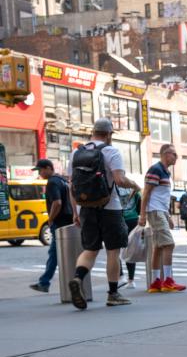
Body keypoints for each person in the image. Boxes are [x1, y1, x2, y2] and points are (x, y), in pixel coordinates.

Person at [66, 118, 142, 309]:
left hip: (86, 208)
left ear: (93, 132)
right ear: (108, 134)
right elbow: (119, 179)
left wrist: (75, 212)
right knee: (113, 251)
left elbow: (72, 186)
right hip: (110, 208)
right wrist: (134, 184)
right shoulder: (111, 151)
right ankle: (113, 293)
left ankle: (77, 278)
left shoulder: (76, 153)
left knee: (90, 249)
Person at [140, 144, 186, 293]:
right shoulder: (156, 169)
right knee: (169, 244)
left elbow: (162, 197)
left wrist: (168, 216)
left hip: (160, 211)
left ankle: (155, 282)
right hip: (155, 211)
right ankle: (167, 281)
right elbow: (146, 193)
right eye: (174, 154)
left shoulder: (165, 172)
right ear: (166, 154)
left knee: (159, 247)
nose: (176, 157)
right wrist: (142, 215)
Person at [29, 159, 72, 293]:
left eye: (41, 170)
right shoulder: (62, 180)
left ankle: (45, 282)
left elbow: (57, 202)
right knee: (62, 252)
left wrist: (50, 218)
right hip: (69, 220)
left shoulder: (52, 182)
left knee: (54, 253)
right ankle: (46, 282)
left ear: (48, 168)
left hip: (59, 222)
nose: (40, 173)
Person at [118, 186, 141, 289]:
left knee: (114, 250)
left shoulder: (113, 188)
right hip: (133, 220)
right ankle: (131, 280)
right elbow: (139, 206)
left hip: (118, 219)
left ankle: (120, 276)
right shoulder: (133, 189)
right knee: (130, 249)